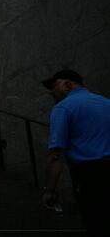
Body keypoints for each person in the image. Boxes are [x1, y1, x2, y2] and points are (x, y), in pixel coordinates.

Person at [41, 69, 110, 236]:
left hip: (91, 176)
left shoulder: (63, 108)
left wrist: (49, 190)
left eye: (54, 85)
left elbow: (55, 154)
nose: (52, 92)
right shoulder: (106, 102)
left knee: (97, 222)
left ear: (68, 84)